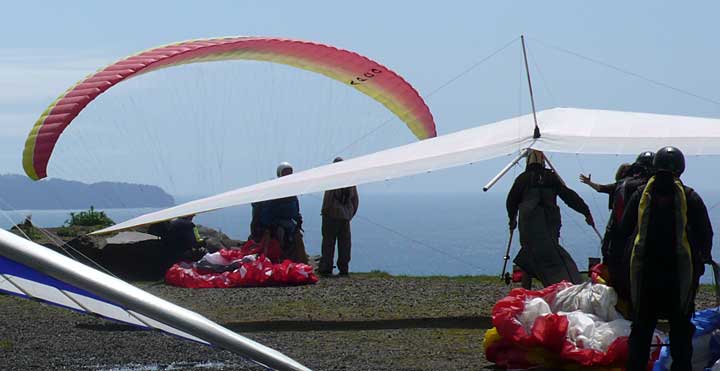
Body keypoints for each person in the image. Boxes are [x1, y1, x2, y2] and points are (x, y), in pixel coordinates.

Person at [619, 146, 713, 371]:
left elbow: (624, 230)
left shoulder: (640, 194)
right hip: (678, 278)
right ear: (680, 168)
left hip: (645, 275)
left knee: (641, 330)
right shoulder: (690, 197)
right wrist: (700, 262)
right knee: (680, 330)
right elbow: (705, 234)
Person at [506, 149, 595, 289]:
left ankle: (529, 288)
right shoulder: (550, 177)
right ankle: (548, 286)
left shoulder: (523, 179)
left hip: (530, 226)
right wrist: (586, 212)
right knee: (546, 251)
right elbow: (569, 196)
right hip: (549, 225)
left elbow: (511, 201)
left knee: (529, 253)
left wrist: (512, 219)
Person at [319, 157, 359, 276]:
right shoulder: (350, 180)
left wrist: (325, 212)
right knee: (345, 243)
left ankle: (327, 267)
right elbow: (355, 200)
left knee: (328, 242)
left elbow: (328, 198)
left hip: (331, 215)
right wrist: (350, 214)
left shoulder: (332, 179)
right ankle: (344, 267)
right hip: (345, 217)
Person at [252, 162, 304, 255]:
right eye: (285, 173)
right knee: (280, 235)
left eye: (290, 173)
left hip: (289, 222)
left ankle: (300, 260)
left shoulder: (292, 190)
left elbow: (295, 208)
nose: (288, 175)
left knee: (298, 237)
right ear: (280, 174)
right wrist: (267, 226)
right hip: (275, 223)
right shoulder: (274, 189)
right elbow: (266, 209)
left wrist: (298, 219)